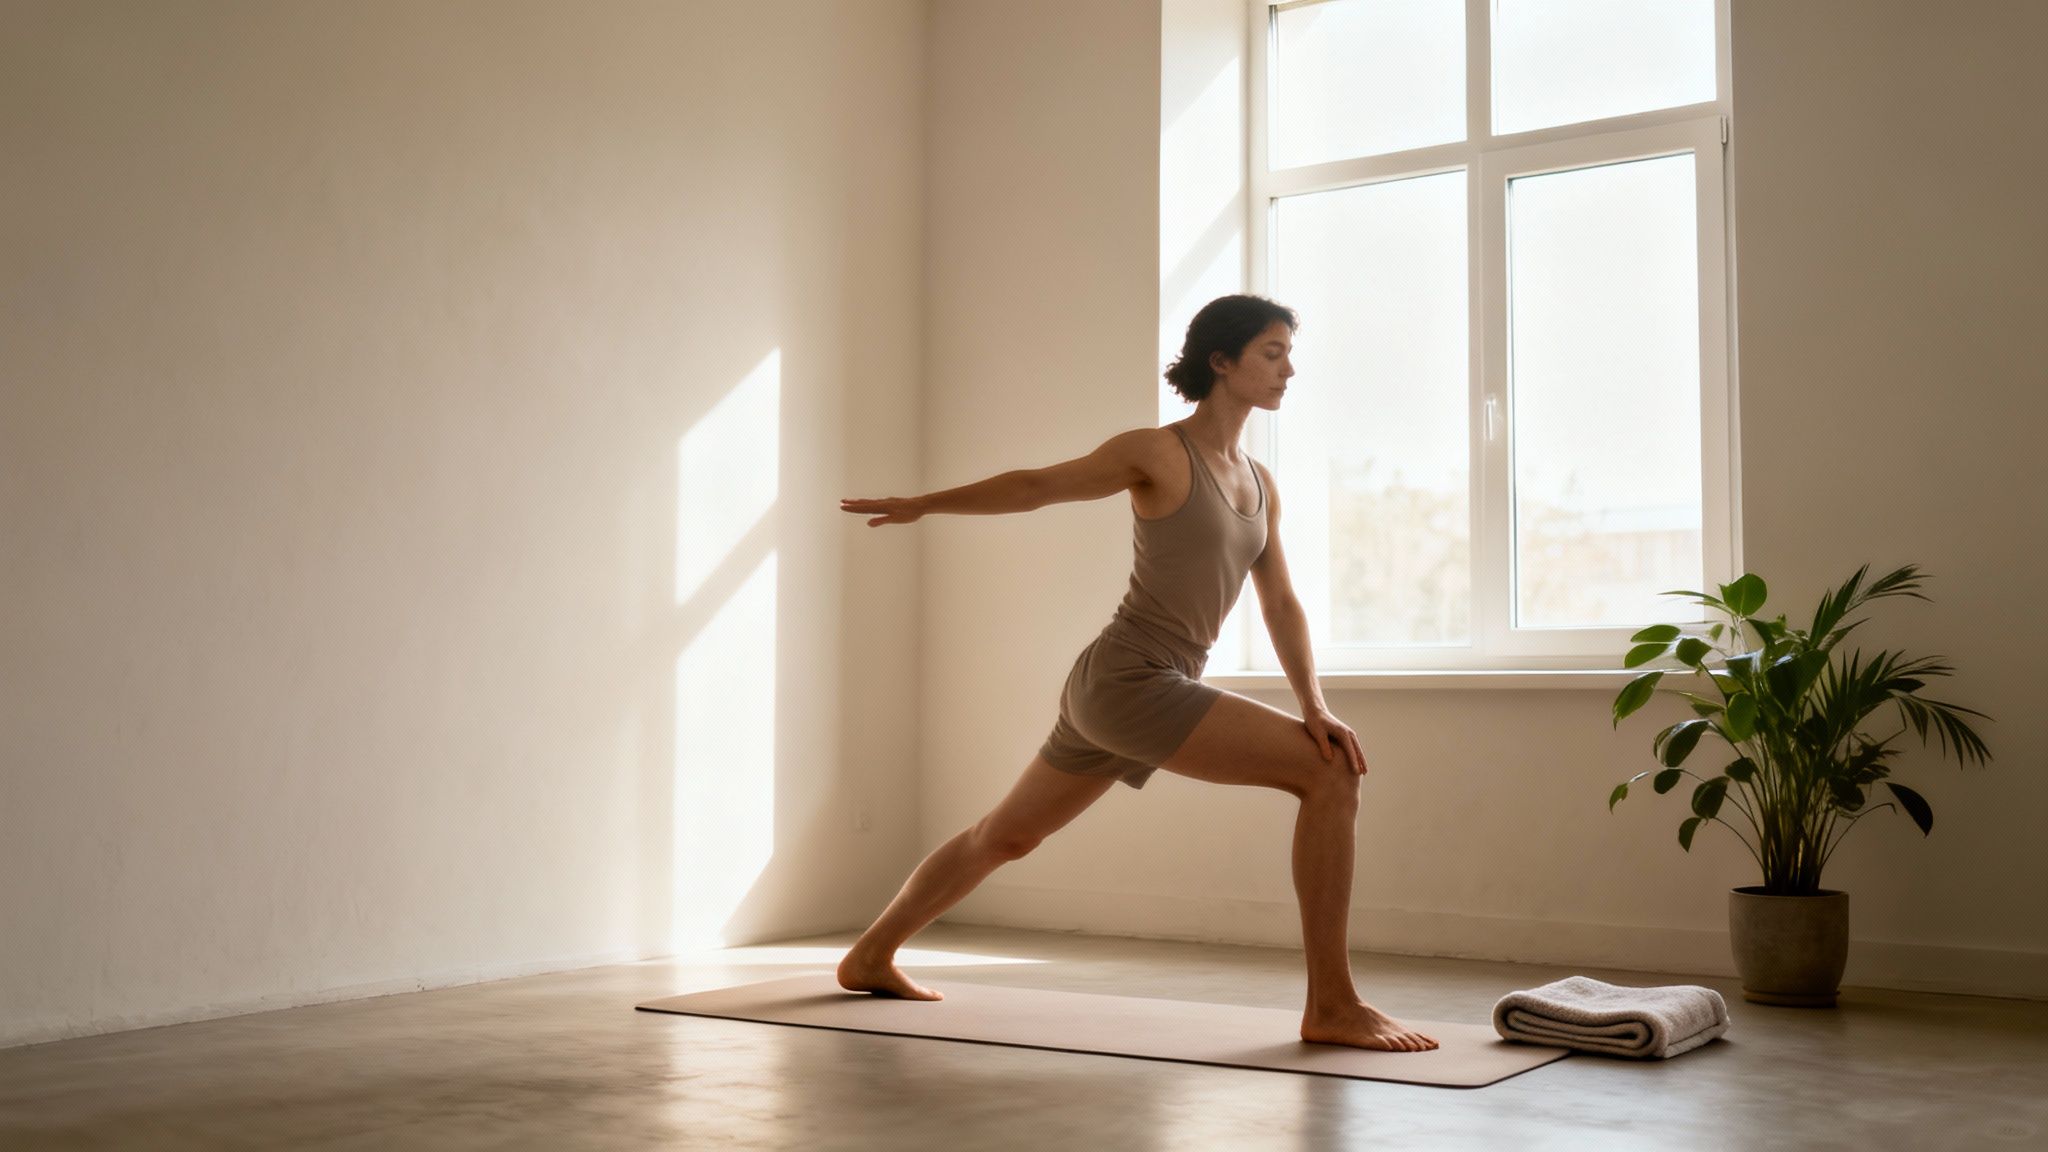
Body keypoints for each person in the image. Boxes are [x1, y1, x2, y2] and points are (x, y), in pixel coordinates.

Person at [834, 294, 1439, 1053]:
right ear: (1221, 361)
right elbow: (1036, 485)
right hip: (1130, 682)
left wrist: (1314, 704)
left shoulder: (1259, 481)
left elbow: (1280, 601)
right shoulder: (1157, 452)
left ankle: (869, 956)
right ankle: (1334, 1005)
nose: (1290, 368)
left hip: (1122, 689)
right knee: (1329, 776)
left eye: (1289, 352)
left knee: (1006, 836)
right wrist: (926, 503)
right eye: (1273, 352)